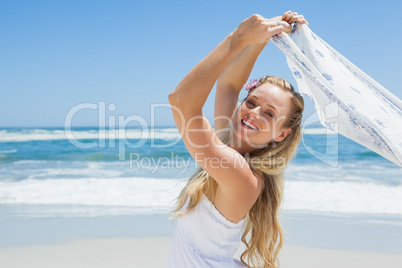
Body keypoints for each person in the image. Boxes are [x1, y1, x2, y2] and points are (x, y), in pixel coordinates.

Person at [168, 11, 307, 268]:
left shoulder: (241, 173)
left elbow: (182, 101)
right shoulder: (229, 142)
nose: (253, 113)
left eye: (269, 113)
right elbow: (229, 85)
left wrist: (238, 37)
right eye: (251, 102)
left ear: (282, 133)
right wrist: (268, 31)